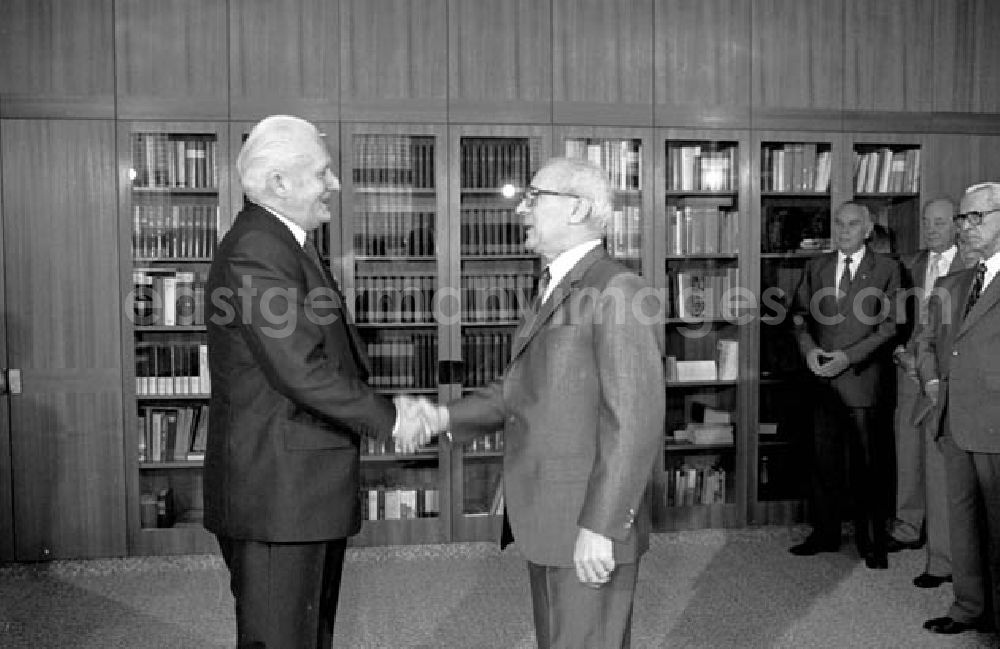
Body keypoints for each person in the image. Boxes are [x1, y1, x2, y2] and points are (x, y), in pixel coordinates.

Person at [403, 157, 665, 648]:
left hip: (587, 523)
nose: (522, 209)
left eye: (534, 197)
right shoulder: (553, 285)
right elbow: (523, 389)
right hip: (549, 515)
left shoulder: (617, 290)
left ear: (578, 208)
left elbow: (635, 422)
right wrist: (444, 415)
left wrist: (602, 526)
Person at [203, 115, 428, 649]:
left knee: (306, 634)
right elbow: (298, 367)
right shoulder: (257, 248)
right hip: (278, 493)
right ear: (279, 183)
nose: (336, 184)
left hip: (299, 489)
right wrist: (390, 417)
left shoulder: (286, 241)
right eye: (324, 172)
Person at [787, 202, 901, 569]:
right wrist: (809, 352)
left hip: (860, 378)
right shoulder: (816, 266)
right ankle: (825, 533)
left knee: (868, 464)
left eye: (853, 224)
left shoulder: (887, 269)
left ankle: (872, 541)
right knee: (823, 459)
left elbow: (890, 327)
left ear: (868, 230)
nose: (844, 230)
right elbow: (800, 317)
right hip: (820, 376)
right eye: (839, 223)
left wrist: (847, 358)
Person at [918, 182, 1000, 635]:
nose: (966, 227)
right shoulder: (954, 282)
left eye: (977, 217)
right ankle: (968, 608)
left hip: (995, 421)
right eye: (964, 218)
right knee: (963, 524)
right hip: (953, 418)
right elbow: (927, 342)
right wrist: (931, 379)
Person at [887, 198, 961, 590]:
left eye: (940, 222)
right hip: (907, 367)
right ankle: (907, 526)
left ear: (956, 225)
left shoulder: (970, 265)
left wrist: (930, 366)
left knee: (938, 458)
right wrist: (900, 352)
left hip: (942, 373)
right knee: (908, 448)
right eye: (926, 222)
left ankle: (945, 552)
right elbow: (895, 316)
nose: (931, 230)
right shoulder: (909, 264)